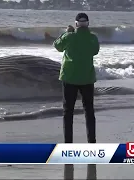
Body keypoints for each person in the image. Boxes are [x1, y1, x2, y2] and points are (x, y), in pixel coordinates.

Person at [53, 13, 100, 144]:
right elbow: (95, 51)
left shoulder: (69, 36)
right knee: (89, 111)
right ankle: (92, 141)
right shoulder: (93, 38)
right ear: (88, 24)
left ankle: (68, 143)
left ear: (76, 24)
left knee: (68, 112)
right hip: (87, 78)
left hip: (69, 77)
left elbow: (57, 46)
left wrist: (66, 33)